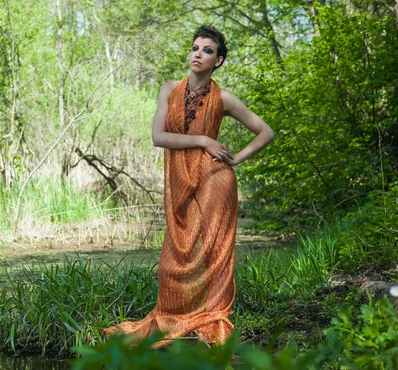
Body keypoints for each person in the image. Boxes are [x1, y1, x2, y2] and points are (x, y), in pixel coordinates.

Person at [104, 26, 275, 348]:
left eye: (207, 50)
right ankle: (175, 314)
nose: (198, 54)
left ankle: (209, 316)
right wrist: (204, 140)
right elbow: (159, 137)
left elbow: (266, 132)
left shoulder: (224, 98)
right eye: (195, 48)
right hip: (181, 180)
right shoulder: (169, 89)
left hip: (215, 179)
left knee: (212, 251)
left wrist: (235, 159)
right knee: (175, 254)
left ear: (219, 61)